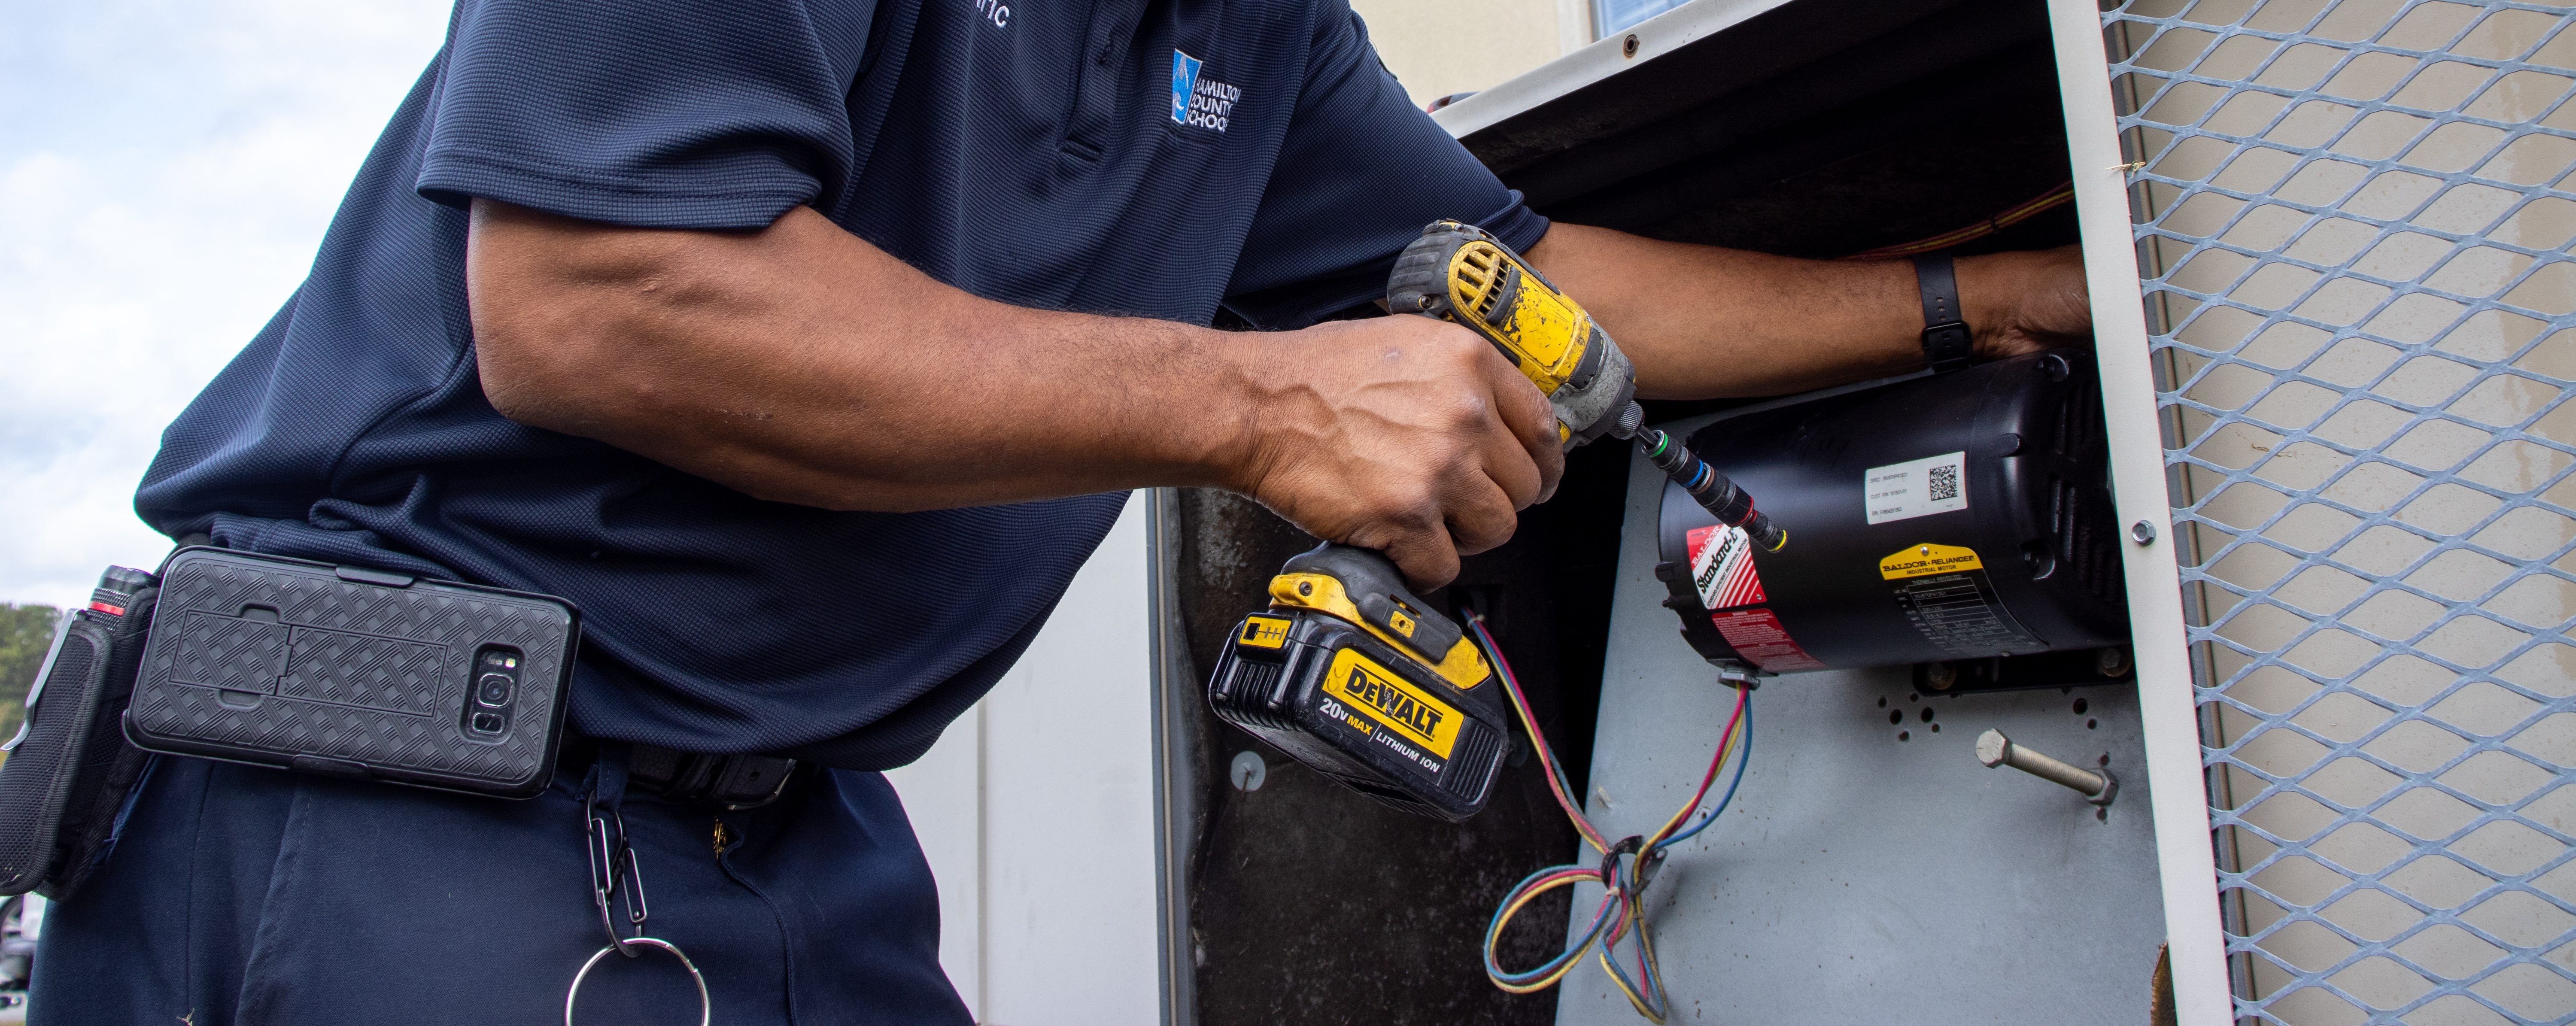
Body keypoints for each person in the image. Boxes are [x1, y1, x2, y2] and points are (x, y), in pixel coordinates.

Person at [34, 0, 2091, 1023]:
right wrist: (1266, 400)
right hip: (400, 798)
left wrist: (1974, 301)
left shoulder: (1249, 36)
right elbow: (599, 297)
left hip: (788, 839)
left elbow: (1535, 282)